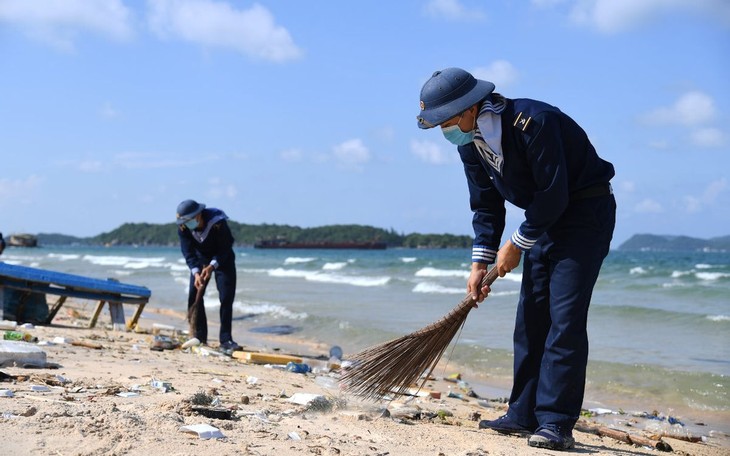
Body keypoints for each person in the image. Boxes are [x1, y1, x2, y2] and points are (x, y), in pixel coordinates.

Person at [417, 68, 616, 451]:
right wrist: (480, 261)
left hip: (584, 213)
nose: (444, 129)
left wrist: (517, 245)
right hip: (541, 220)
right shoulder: (468, 144)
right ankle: (522, 412)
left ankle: (557, 422)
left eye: (446, 120)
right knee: (531, 317)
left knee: (565, 317)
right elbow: (486, 206)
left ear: (470, 108)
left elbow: (554, 195)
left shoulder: (533, 123)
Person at [176, 199, 240, 353]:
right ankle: (199, 336)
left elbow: (226, 246)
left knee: (226, 297)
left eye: (188, 220)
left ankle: (226, 340)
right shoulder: (183, 227)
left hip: (222, 260)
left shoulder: (217, 222)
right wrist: (196, 271)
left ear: (198, 215)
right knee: (194, 295)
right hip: (200, 260)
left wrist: (212, 266)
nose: (186, 223)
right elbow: (188, 252)